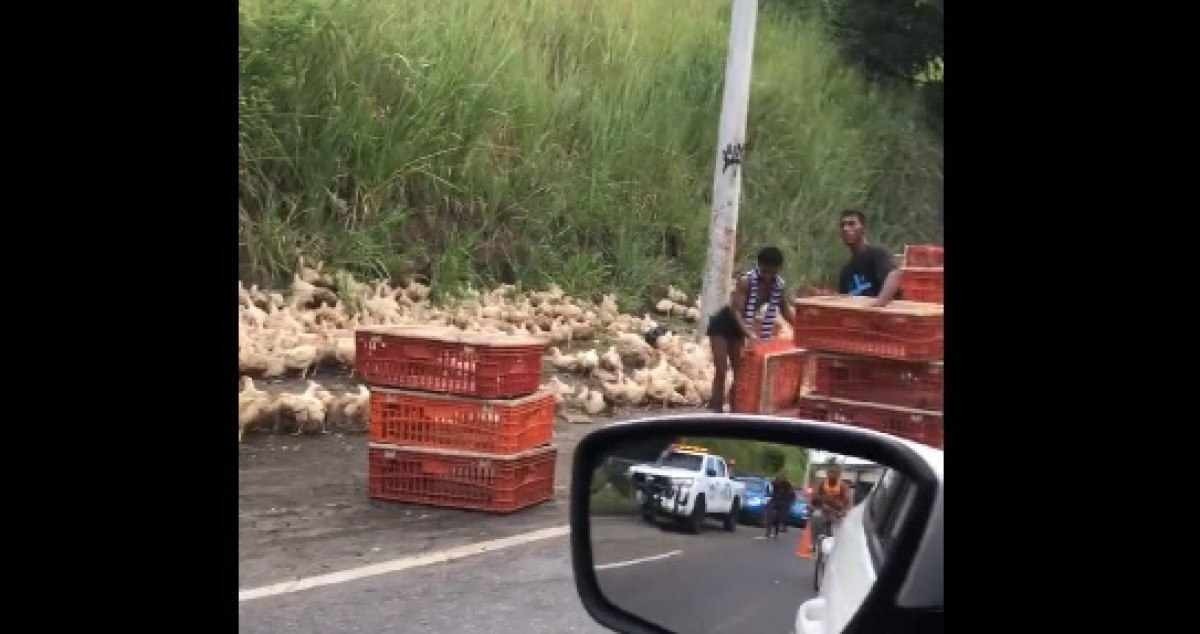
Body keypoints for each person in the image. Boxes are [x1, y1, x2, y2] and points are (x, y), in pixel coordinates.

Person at [705, 246, 796, 413]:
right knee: (721, 369)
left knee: (740, 372)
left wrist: (803, 329)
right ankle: (714, 410)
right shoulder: (746, 281)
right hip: (722, 325)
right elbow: (735, 311)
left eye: (772, 272)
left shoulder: (778, 286)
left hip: (740, 330)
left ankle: (736, 410)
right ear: (759, 266)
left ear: (778, 270)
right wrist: (750, 334)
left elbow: (786, 311)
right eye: (764, 271)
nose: (767, 276)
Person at [837, 210, 902, 307]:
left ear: (863, 229)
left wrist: (877, 305)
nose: (846, 228)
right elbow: (845, 300)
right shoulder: (846, 271)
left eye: (851, 224)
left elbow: (894, 275)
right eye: (843, 225)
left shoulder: (878, 254)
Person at [810, 465, 851, 543]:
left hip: (836, 512)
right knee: (815, 516)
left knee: (841, 527)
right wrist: (818, 504)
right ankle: (814, 542)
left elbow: (847, 502)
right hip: (823, 510)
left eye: (834, 473)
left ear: (838, 475)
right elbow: (815, 497)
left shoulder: (843, 486)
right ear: (827, 474)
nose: (832, 475)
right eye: (830, 473)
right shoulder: (822, 484)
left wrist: (843, 511)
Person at [765, 474, 795, 538]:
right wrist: (769, 493)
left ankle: (777, 530)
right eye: (778, 480)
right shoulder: (774, 483)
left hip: (783, 501)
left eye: (781, 479)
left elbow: (791, 494)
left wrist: (789, 501)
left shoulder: (787, 485)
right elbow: (768, 488)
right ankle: (768, 531)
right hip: (775, 500)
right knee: (769, 512)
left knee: (779, 517)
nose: (779, 481)